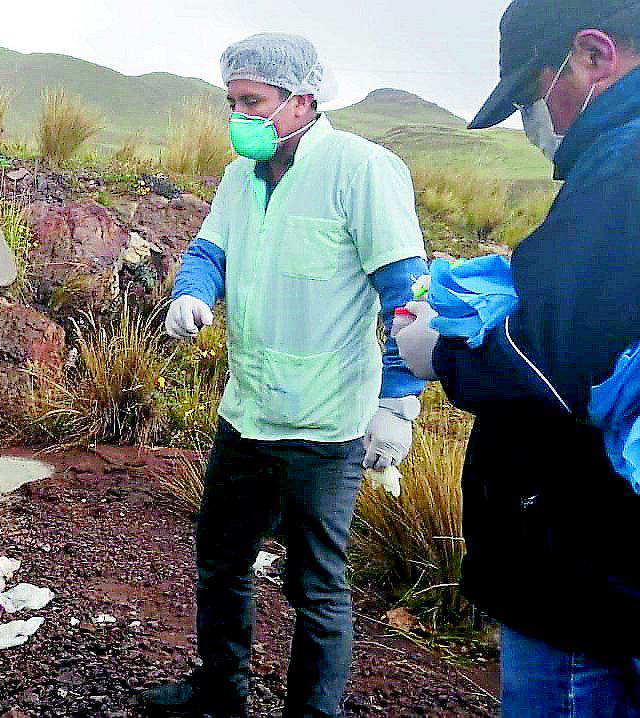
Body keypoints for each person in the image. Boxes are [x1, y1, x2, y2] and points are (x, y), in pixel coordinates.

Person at [145, 33, 429, 718]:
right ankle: (220, 694)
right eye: (231, 102)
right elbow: (209, 248)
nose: (238, 116)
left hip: (328, 426)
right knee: (221, 562)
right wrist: (191, 292)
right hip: (247, 412)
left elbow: (405, 292)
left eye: (252, 102)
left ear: (301, 100)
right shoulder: (241, 175)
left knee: (318, 587)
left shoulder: (362, 170)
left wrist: (397, 404)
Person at [395, 1, 640, 715]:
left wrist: (442, 351)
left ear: (592, 56)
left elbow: (556, 358)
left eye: (534, 92)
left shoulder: (627, 163)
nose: (537, 118)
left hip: (583, 576)